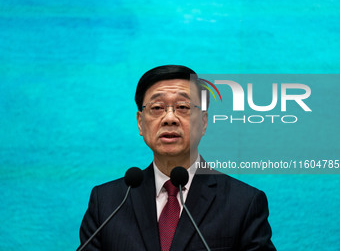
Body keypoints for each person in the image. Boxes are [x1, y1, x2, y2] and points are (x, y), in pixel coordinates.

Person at [78, 65, 276, 251]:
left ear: (204, 122)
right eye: (157, 108)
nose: (170, 118)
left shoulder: (243, 203)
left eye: (183, 107)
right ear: (140, 123)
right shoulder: (107, 202)